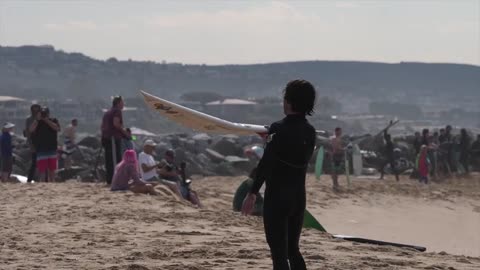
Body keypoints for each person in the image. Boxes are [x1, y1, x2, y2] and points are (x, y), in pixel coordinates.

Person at [242, 79, 317, 270]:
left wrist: (252, 193)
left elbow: (267, 163)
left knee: (278, 252)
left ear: (289, 101)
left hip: (277, 198)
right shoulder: (310, 132)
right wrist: (272, 138)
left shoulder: (278, 128)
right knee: (293, 249)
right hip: (298, 198)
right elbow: (292, 153)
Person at [101, 96, 130, 185]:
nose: (123, 104)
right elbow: (116, 124)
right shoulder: (117, 111)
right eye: (122, 102)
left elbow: (103, 126)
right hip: (112, 138)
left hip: (106, 138)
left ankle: (110, 180)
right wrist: (124, 132)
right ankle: (115, 180)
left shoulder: (107, 112)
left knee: (109, 160)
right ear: (118, 103)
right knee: (115, 160)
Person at [30, 107, 60, 182]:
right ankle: (43, 184)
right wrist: (37, 119)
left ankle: (52, 183)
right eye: (42, 113)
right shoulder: (37, 122)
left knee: (52, 170)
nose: (44, 115)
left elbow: (57, 128)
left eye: (45, 113)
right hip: (41, 149)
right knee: (42, 170)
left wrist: (46, 120)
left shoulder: (53, 120)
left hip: (52, 148)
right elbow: (31, 130)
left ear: (48, 113)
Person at [24, 104, 41, 182]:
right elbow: (27, 132)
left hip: (42, 143)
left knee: (42, 163)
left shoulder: (42, 118)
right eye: (34, 109)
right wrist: (30, 144)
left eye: (37, 109)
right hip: (33, 143)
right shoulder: (29, 119)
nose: (35, 111)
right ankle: (29, 179)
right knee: (34, 163)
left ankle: (42, 180)